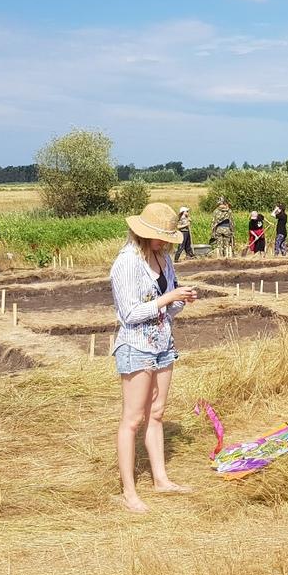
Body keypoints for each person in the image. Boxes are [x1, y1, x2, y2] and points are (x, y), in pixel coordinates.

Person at [110, 202, 198, 513]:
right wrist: (167, 298)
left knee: (157, 413)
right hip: (136, 346)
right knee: (132, 419)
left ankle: (161, 479)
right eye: (161, 237)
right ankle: (129, 492)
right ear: (144, 234)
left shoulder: (164, 260)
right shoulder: (126, 264)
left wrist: (180, 298)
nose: (165, 243)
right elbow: (129, 313)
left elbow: (169, 308)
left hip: (163, 343)